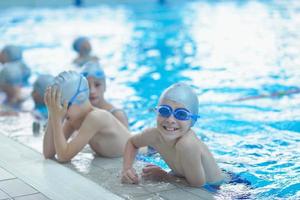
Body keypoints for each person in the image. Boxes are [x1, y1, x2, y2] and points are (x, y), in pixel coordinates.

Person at [121, 83, 223, 187]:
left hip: (214, 187)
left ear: (193, 120)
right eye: (164, 111)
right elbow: (132, 142)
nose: (170, 120)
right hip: (185, 175)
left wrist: (164, 176)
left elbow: (197, 184)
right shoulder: (153, 135)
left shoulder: (187, 144)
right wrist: (127, 169)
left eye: (181, 114)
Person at [43, 71, 130, 162]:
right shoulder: (74, 119)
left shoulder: (96, 117)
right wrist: (52, 113)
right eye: (57, 107)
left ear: (79, 98)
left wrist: (56, 119)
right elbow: (49, 153)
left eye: (62, 106)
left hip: (140, 153)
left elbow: (63, 156)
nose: (60, 112)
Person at [81, 61, 129, 128]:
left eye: (97, 85)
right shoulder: (80, 115)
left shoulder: (117, 116)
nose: (92, 91)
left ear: (105, 86)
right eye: (87, 86)